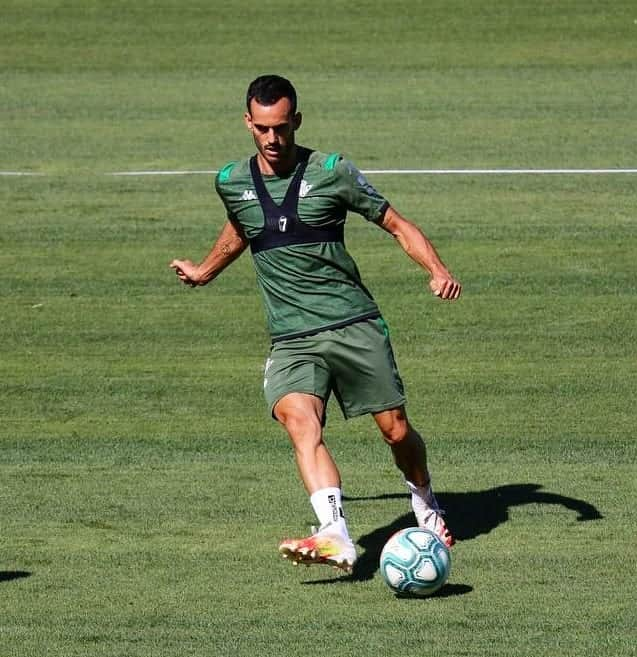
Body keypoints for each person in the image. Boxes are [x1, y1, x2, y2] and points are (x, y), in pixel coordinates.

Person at [170, 74, 461, 574]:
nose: (272, 139)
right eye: (262, 128)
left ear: (296, 122)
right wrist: (204, 270)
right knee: (299, 421)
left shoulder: (332, 172)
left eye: (281, 127)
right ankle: (335, 534)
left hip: (352, 323)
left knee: (395, 432)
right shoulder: (231, 181)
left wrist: (436, 270)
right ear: (248, 123)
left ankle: (424, 497)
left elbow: (396, 223)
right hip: (291, 338)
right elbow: (242, 227)